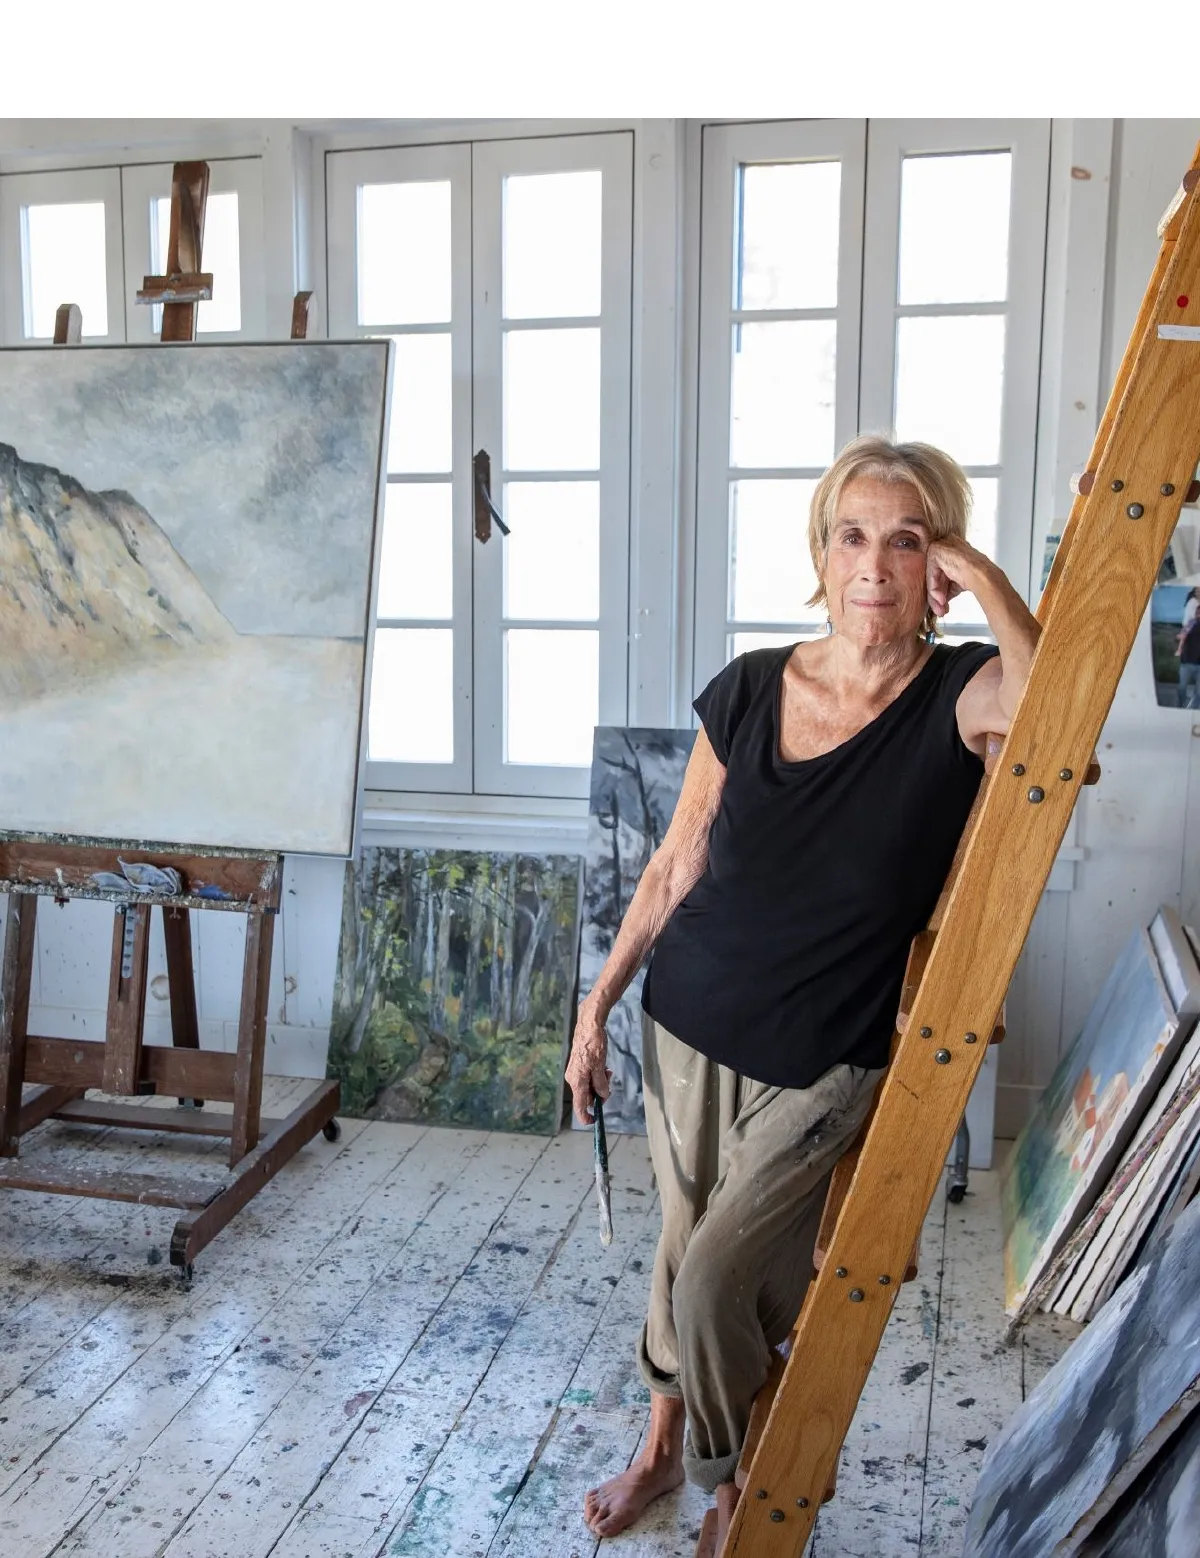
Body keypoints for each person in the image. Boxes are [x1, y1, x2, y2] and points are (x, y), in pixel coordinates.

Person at [564, 433, 1041, 1552]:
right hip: (687, 1018)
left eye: (907, 540)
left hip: (829, 1051)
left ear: (937, 562)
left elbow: (1056, 712)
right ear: (822, 553)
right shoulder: (750, 685)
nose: (874, 564)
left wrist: (984, 575)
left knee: (719, 1282)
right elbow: (676, 863)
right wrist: (597, 1007)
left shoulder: (962, 691)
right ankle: (660, 1453)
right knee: (682, 1248)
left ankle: (738, 1479)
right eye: (853, 535)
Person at [1177, 587, 1200, 709]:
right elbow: (1182, 635)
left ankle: (1193, 708)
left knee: (1199, 692)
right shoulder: (1191, 622)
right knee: (1182, 688)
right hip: (1187, 662)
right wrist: (1180, 642)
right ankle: (1182, 706)